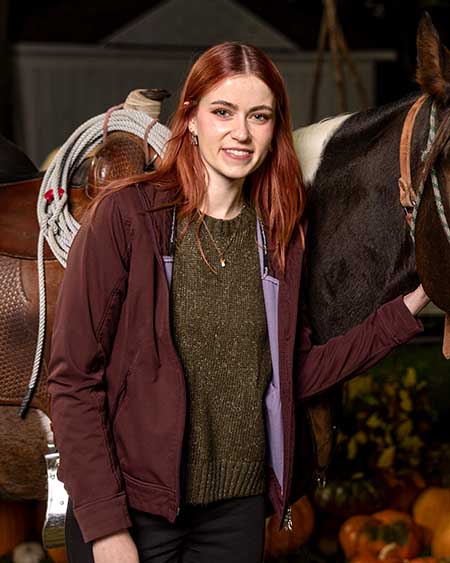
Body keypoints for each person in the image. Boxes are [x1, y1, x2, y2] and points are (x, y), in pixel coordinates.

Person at [47, 42, 429, 563]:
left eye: (259, 116)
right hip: (137, 514)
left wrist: (407, 309)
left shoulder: (278, 237)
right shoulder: (127, 218)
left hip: (237, 516)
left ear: (276, 129)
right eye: (222, 112)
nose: (241, 133)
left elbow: (295, 373)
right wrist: (105, 525)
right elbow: (74, 380)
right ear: (191, 117)